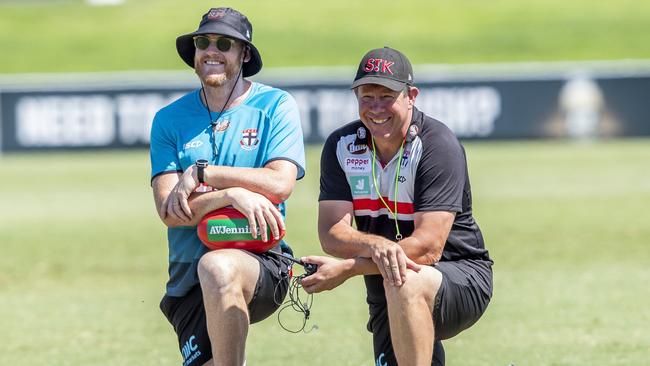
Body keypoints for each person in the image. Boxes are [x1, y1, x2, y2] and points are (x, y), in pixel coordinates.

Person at [300, 47, 493, 366]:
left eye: (386, 95)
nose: (376, 108)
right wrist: (375, 246)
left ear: (411, 95)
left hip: (460, 275)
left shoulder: (437, 145)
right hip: (386, 283)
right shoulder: (341, 145)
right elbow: (332, 233)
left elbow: (428, 248)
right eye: (366, 96)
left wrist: (349, 268)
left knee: (406, 281)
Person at [149, 7, 305, 366]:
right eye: (204, 42)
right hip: (188, 277)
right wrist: (234, 194)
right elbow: (170, 212)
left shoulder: (275, 105)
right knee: (210, 271)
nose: (211, 50)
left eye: (225, 43)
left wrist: (203, 177)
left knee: (218, 266)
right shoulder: (168, 119)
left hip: (263, 260)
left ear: (244, 54)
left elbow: (280, 184)